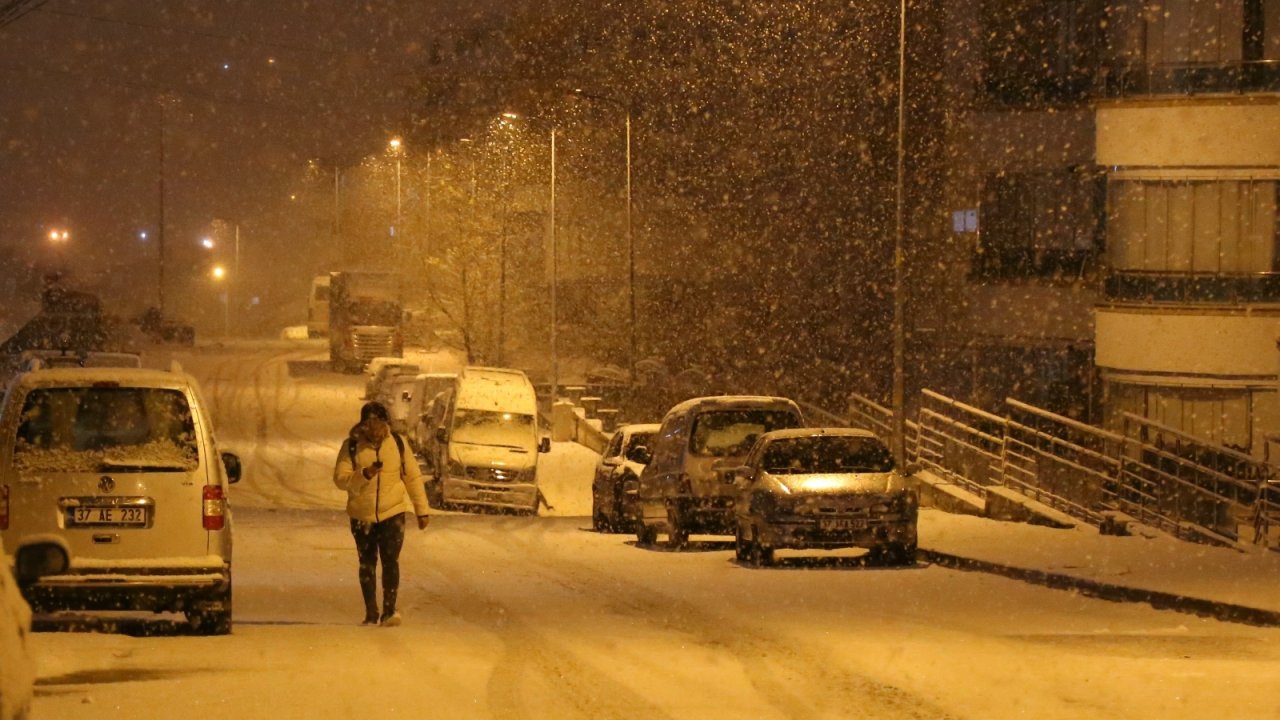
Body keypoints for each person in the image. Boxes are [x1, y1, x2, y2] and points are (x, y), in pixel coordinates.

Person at [333, 401, 431, 627]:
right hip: (362, 515)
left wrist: (421, 511)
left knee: (390, 562)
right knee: (366, 563)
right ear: (363, 424)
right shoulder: (352, 446)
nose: (374, 427)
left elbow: (412, 478)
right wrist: (364, 474)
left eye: (379, 422)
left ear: (386, 423)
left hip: (392, 512)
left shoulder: (397, 444)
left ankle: (389, 610)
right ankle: (370, 612)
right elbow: (340, 479)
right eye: (370, 422)